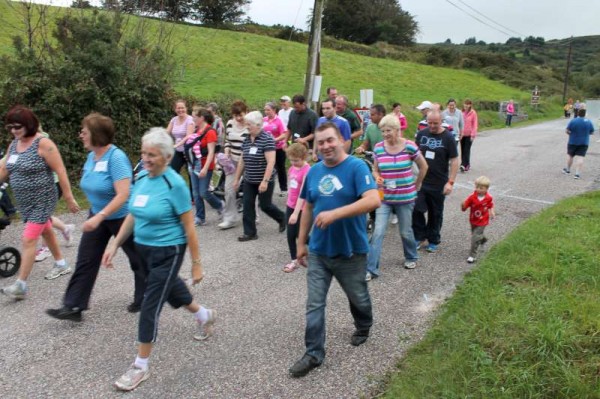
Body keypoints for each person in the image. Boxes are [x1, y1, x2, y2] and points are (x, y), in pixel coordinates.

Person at [102, 127, 216, 392]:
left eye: (152, 154)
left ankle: (140, 366)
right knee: (171, 290)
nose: (146, 158)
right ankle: (204, 314)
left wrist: (196, 263)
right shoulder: (141, 178)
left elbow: (189, 227)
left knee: (149, 304)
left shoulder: (174, 183)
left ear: (166, 156)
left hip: (168, 250)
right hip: (144, 249)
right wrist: (116, 243)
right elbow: (132, 214)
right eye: (144, 153)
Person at [288, 122, 380, 378]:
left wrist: (335, 214)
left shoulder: (356, 167)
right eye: (320, 142)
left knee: (358, 297)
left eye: (330, 140)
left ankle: (364, 325)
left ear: (341, 140)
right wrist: (301, 243)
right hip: (319, 252)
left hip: (351, 252)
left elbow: (373, 199)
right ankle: (314, 353)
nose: (325, 146)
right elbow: (307, 207)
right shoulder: (314, 172)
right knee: (314, 304)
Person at [46, 113, 147, 321]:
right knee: (86, 259)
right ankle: (73, 306)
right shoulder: (92, 156)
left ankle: (145, 297)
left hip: (123, 217)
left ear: (97, 135)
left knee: (139, 259)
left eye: (84, 132)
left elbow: (123, 194)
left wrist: (99, 216)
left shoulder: (116, 158)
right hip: (99, 215)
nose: (80, 135)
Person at [0, 106, 79, 300]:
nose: (13, 131)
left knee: (28, 239)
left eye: (17, 127)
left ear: (28, 124)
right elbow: (5, 169)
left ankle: (21, 286)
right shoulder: (14, 144)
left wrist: (69, 197)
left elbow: (60, 171)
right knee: (46, 229)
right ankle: (61, 264)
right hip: (25, 201)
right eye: (10, 127)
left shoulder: (43, 143)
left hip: (43, 199)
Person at [366, 115, 428, 280]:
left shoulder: (409, 146)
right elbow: (375, 170)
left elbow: (424, 166)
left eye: (388, 130)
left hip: (405, 198)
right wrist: (376, 176)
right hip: (385, 198)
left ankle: (411, 256)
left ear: (397, 130)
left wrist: (417, 185)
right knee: (378, 232)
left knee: (405, 232)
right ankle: (371, 269)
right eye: (383, 131)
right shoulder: (378, 148)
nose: (385, 134)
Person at [233, 111, 286, 241]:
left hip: (264, 179)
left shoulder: (267, 139)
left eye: (249, 124)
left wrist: (265, 181)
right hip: (249, 179)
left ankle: (282, 218)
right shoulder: (246, 139)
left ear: (258, 125)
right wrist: (236, 179)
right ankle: (250, 233)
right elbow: (242, 160)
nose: (246, 126)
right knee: (247, 205)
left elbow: (271, 161)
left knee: (265, 205)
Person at [412, 110, 459, 253]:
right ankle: (419, 236)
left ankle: (433, 238)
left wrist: (450, 182)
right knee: (416, 208)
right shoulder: (421, 134)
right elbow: (412, 154)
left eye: (435, 123)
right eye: (429, 122)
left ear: (441, 121)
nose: (432, 126)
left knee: (435, 212)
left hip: (439, 182)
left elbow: (455, 160)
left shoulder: (448, 137)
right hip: (421, 180)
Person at [188, 107, 224, 226]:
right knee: (196, 193)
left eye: (195, 117)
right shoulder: (196, 130)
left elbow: (211, 152)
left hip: (205, 166)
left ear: (201, 118)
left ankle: (220, 205)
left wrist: (204, 168)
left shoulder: (210, 132)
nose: (193, 119)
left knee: (203, 192)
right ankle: (200, 217)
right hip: (194, 165)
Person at [218, 100, 249, 230]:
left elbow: (248, 146)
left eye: (240, 115)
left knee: (250, 190)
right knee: (229, 189)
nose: (238, 118)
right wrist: (226, 155)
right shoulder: (230, 123)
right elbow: (227, 142)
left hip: (247, 161)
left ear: (246, 112)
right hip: (232, 161)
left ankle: (253, 216)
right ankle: (231, 218)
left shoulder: (250, 125)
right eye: (235, 115)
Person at [282, 143, 310, 273]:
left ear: (303, 157)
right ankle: (296, 259)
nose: (293, 163)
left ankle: (297, 259)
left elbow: (302, 194)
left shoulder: (307, 170)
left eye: (296, 160)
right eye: (291, 160)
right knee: (292, 233)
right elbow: (291, 187)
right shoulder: (292, 168)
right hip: (290, 204)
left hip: (302, 208)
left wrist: (296, 213)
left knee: (298, 234)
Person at [461, 176, 495, 263]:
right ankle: (483, 239)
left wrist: (492, 212)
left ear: (486, 189)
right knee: (476, 235)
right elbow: (465, 207)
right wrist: (463, 205)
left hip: (483, 220)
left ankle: (472, 255)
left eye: (481, 188)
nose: (478, 189)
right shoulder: (472, 197)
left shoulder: (488, 198)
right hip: (473, 219)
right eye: (477, 187)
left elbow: (490, 205)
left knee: (475, 238)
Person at [263, 102, 289, 196]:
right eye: (265, 110)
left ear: (274, 110)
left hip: (278, 148)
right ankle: (266, 187)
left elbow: (284, 134)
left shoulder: (279, 120)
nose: (266, 112)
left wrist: (275, 140)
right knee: (267, 168)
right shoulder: (264, 120)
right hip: (267, 148)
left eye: (268, 110)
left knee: (280, 168)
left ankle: (284, 188)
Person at [562, 108, 594, 179]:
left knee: (570, 155)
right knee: (580, 157)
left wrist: (570, 133)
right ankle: (577, 174)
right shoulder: (589, 122)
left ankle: (567, 170)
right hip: (584, 142)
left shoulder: (573, 121)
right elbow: (592, 132)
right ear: (585, 114)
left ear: (578, 113)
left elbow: (567, 130)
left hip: (572, 141)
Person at [166, 99, 195, 175]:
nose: (180, 110)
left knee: (191, 174)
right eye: (178, 108)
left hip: (189, 151)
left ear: (186, 108)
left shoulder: (190, 120)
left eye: (182, 108)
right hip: (178, 151)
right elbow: (166, 133)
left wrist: (177, 145)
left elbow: (189, 136)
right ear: (175, 109)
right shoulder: (174, 120)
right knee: (172, 172)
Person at [461, 99, 478, 172]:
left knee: (466, 150)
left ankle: (465, 165)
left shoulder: (473, 113)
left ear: (470, 105)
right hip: (462, 134)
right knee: (462, 150)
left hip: (469, 134)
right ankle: (464, 163)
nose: (466, 105)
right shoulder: (461, 112)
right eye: (465, 104)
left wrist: (473, 135)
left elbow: (475, 124)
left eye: (468, 104)